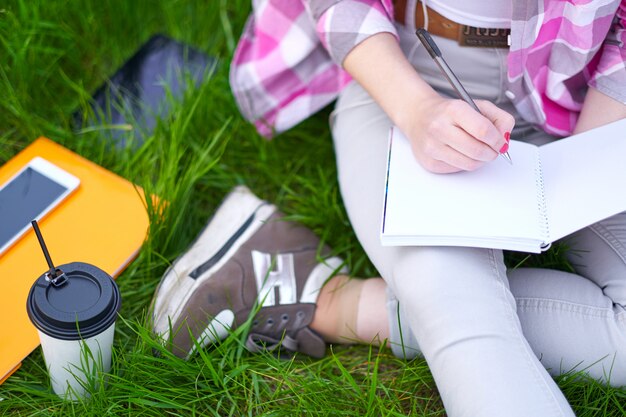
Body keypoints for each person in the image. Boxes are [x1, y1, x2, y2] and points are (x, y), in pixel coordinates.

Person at [152, 1, 626, 416]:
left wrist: (584, 161)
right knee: (470, 328)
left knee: (464, 307)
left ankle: (320, 295)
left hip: (580, 97)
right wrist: (418, 112)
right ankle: (375, 299)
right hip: (408, 75)